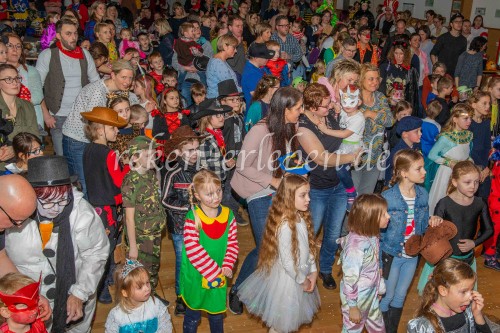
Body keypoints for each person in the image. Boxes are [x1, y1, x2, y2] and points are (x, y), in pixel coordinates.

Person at [6, 156, 109, 332]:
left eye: (62, 200)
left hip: (76, 296)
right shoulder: (13, 214)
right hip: (28, 302)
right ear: (31, 194)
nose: (55, 208)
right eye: (47, 201)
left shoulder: (82, 212)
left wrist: (79, 293)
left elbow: (96, 253)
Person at [228, 87, 305, 314]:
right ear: (285, 109)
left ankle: (271, 289)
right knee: (266, 247)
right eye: (298, 108)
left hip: (281, 190)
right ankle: (238, 289)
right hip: (259, 191)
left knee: (280, 246)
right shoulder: (260, 131)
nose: (301, 112)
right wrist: (272, 181)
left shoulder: (292, 127)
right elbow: (243, 166)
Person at [237, 174, 320, 333]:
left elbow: (308, 247)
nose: (308, 199)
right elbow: (288, 263)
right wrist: (302, 281)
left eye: (308, 194)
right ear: (288, 197)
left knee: (290, 319)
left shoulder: (300, 217)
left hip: (300, 274)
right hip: (288, 281)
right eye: (303, 195)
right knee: (281, 323)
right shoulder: (285, 226)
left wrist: (313, 270)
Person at [297, 83, 359, 290]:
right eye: (325, 105)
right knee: (309, 232)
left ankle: (325, 269)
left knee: (332, 234)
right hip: (317, 188)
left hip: (339, 184)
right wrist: (350, 156)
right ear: (312, 107)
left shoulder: (329, 115)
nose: (330, 106)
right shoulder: (303, 126)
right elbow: (321, 158)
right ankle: (303, 270)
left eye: (330, 101)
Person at [380, 149, 442, 333]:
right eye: (419, 168)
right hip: (391, 255)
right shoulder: (388, 197)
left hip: (412, 256)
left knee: (400, 296)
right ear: (403, 172)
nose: (424, 172)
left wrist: (432, 221)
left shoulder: (423, 194)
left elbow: (422, 225)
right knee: (387, 296)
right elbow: (379, 232)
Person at [62, 59, 138, 197]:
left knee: (94, 182)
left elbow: (132, 104)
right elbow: (95, 124)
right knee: (83, 184)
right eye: (123, 77)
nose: (127, 81)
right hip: (77, 140)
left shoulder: (119, 91)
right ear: (113, 75)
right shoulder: (98, 91)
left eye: (130, 78)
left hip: (94, 141)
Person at [419, 161, 494, 295]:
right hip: (445, 260)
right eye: (468, 182)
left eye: (476, 182)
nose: (473, 186)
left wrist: (474, 243)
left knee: (462, 295)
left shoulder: (480, 203)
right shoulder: (444, 203)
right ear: (454, 182)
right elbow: (433, 233)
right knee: (441, 295)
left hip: (467, 260)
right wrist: (434, 221)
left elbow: (489, 230)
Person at [180, 169, 238, 332]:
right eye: (209, 194)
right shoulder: (193, 217)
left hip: (219, 273)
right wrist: (214, 272)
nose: (216, 197)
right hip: (198, 275)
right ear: (197, 195)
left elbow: (232, 242)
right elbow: (192, 249)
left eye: (218, 191)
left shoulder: (228, 215)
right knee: (192, 314)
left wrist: (227, 264)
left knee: (217, 314)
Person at [81, 107, 129, 304]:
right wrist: (127, 165)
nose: (117, 131)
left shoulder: (87, 149)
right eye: (113, 128)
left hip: (95, 205)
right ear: (100, 129)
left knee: (103, 245)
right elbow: (119, 181)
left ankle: (106, 279)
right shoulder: (109, 154)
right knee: (107, 248)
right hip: (109, 207)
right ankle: (101, 288)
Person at [36, 17, 100, 157]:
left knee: (81, 156)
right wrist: (46, 114)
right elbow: (36, 87)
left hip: (81, 115)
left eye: (75, 33)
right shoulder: (47, 55)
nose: (73, 37)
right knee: (62, 157)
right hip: (58, 115)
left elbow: (96, 83)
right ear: (58, 36)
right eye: (68, 33)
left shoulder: (84, 54)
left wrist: (94, 112)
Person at [162, 126, 206, 315]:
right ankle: (181, 297)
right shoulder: (172, 173)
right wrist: (189, 208)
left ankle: (197, 289)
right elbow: (165, 199)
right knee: (182, 261)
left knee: (201, 258)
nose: (194, 153)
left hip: (201, 225)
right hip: (180, 227)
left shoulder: (202, 172)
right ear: (179, 151)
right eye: (190, 150)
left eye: (196, 149)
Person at [122, 136, 168, 303]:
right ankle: (141, 303)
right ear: (135, 157)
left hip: (154, 233)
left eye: (153, 154)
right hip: (141, 238)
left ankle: (152, 296)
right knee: (141, 274)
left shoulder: (149, 174)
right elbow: (129, 219)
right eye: (148, 155)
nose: (153, 158)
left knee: (153, 269)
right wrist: (133, 247)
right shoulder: (131, 182)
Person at [338, 194, 389, 332]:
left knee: (378, 327)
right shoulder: (355, 247)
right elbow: (350, 280)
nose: (388, 216)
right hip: (358, 296)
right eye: (383, 214)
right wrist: (353, 307)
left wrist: (377, 288)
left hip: (371, 293)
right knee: (353, 329)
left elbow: (374, 265)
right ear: (369, 218)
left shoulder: (372, 235)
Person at [408, 258, 491, 332]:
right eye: (463, 292)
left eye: (471, 290)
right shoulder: (424, 326)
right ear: (443, 290)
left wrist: (478, 315)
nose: (470, 297)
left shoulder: (469, 312)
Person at [317, 84, 364, 211]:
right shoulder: (344, 110)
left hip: (352, 147)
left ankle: (351, 191)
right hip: (342, 145)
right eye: (345, 101)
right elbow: (336, 107)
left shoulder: (359, 118)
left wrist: (325, 130)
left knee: (340, 170)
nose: (347, 105)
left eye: (352, 102)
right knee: (337, 170)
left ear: (359, 102)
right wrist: (333, 104)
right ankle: (344, 192)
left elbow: (344, 134)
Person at [352, 63, 394, 195]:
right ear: (361, 79)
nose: (375, 82)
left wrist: (369, 114)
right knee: (353, 197)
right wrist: (379, 115)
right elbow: (354, 126)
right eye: (371, 79)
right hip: (356, 156)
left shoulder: (380, 97)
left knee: (366, 198)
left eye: (377, 78)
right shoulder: (354, 98)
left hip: (375, 156)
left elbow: (390, 121)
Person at [427, 104, 473, 215]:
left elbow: (467, 152)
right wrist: (449, 162)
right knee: (444, 199)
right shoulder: (446, 137)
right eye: (465, 118)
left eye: (470, 118)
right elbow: (432, 155)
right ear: (455, 119)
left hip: (463, 172)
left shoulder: (469, 135)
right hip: (447, 173)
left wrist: (470, 161)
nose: (469, 121)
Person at [105, 259, 173, 333]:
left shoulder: (156, 305)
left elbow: (165, 326)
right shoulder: (117, 315)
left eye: (147, 283)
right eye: (140, 287)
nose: (147, 288)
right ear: (125, 293)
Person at [0, 64, 39, 171]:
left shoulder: (27, 106)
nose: (15, 82)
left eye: (17, 78)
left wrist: (14, 149)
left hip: (24, 166)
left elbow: (35, 137)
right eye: (8, 79)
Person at [385, 116, 422, 185]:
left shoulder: (417, 145)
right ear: (405, 134)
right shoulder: (398, 152)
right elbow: (389, 173)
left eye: (420, 130)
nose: (420, 133)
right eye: (416, 131)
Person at [468, 91, 492, 201]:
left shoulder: (486, 122)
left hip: (483, 164)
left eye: (489, 103)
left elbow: (487, 146)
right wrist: (480, 168)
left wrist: (486, 167)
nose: (488, 106)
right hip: (471, 163)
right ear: (473, 104)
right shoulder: (468, 123)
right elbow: (469, 149)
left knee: (484, 198)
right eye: (484, 103)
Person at [430, 13, 467, 77]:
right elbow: (433, 53)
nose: (459, 24)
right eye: (456, 22)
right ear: (451, 24)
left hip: (455, 72)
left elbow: (462, 58)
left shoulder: (463, 40)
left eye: (461, 22)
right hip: (442, 72)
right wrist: (437, 69)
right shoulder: (443, 37)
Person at [241, 43, 275, 109]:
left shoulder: (260, 68)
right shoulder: (250, 74)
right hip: (257, 110)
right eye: (265, 57)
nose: (268, 59)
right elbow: (257, 95)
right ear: (256, 58)